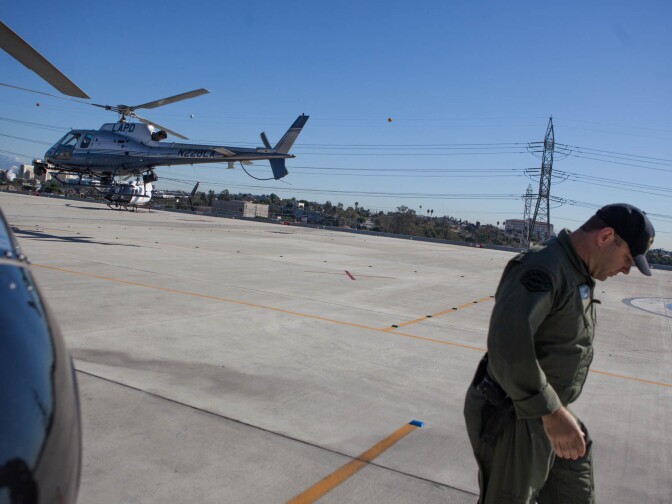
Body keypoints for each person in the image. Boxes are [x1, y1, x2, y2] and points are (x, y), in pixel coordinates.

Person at [463, 203, 655, 504]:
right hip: (515, 416)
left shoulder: (576, 271)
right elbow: (508, 348)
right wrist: (551, 413)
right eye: (628, 258)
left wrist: (557, 414)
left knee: (574, 493)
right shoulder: (544, 267)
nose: (626, 269)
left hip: (549, 415)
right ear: (605, 237)